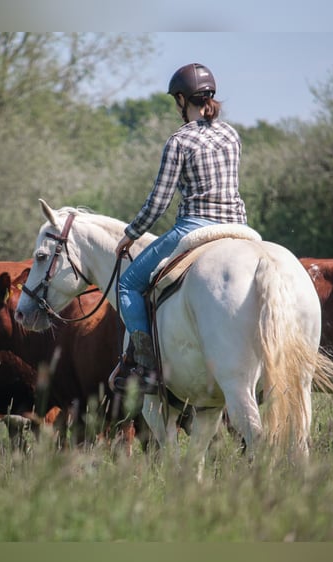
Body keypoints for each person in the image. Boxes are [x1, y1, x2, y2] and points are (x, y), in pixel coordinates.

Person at [111, 62, 249, 395]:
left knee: (128, 283)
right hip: (238, 226)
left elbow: (159, 202)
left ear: (182, 99)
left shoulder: (179, 141)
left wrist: (130, 233)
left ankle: (144, 368)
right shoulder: (231, 134)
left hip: (195, 227)